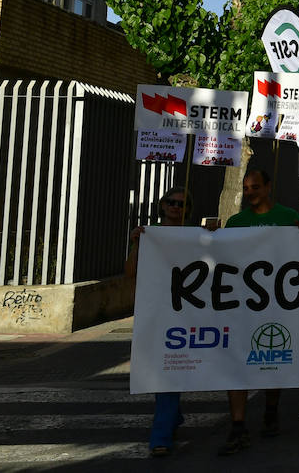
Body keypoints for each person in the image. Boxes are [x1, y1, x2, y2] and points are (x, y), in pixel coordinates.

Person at [219, 168, 299, 455]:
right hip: (241, 306)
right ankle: (238, 426)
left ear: (268, 187)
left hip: (278, 304)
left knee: (272, 360)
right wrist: (208, 236)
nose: (250, 193)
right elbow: (221, 257)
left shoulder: (288, 217)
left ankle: (271, 410)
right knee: (237, 364)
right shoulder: (235, 222)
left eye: (255, 187)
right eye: (246, 189)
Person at [127, 186, 189, 456]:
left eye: (181, 204)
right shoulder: (148, 235)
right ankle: (170, 420)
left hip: (185, 312)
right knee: (163, 370)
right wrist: (136, 244)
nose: (176, 207)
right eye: (171, 202)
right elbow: (130, 273)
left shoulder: (194, 236)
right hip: (155, 312)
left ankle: (162, 432)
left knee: (171, 369)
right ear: (163, 205)